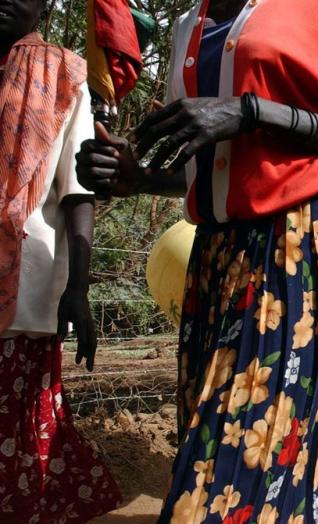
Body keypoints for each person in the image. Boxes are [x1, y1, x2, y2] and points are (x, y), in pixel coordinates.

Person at [76, 0, 318, 521]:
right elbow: (205, 162)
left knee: (227, 469)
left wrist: (250, 111)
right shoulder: (188, 29)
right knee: (234, 446)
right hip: (215, 257)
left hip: (297, 247)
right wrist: (139, 179)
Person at [0, 1, 122, 521]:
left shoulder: (64, 73)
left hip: (24, 290)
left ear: (45, 5)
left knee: (18, 433)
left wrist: (79, 287)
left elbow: (77, 192)